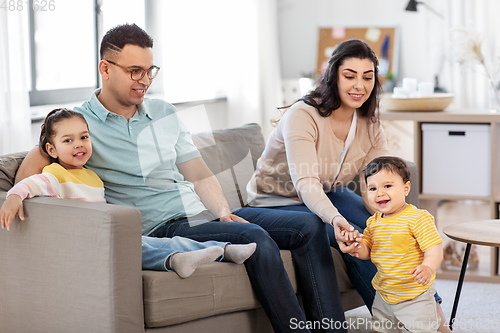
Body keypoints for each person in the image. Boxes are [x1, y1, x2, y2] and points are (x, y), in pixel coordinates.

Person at [16, 23, 350, 332]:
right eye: (135, 71)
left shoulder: (164, 112)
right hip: (161, 226)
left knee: (307, 226)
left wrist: (222, 211)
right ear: (105, 68)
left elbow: (199, 174)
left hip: (200, 214)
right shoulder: (80, 124)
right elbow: (37, 159)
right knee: (256, 238)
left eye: (150, 71)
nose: (144, 80)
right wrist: (18, 196)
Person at [246, 38, 450, 331]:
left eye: (367, 78)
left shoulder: (370, 123)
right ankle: (399, 323)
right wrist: (336, 219)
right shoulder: (303, 115)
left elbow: (380, 184)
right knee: (347, 235)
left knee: (375, 226)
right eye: (349, 76)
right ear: (333, 77)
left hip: (328, 192)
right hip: (277, 200)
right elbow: (306, 182)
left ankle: (430, 313)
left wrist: (398, 218)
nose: (359, 86)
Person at [1, 108, 256, 279]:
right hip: (83, 243)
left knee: (153, 242)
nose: (79, 144)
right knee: (141, 244)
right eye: (68, 141)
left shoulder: (92, 176)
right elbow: (29, 185)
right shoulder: (55, 174)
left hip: (105, 236)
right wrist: (13, 197)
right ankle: (180, 258)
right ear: (51, 149)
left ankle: (220, 250)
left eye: (84, 137)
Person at [340, 156, 444, 332]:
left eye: (387, 186)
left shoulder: (417, 218)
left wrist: (427, 267)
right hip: (384, 295)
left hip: (415, 295)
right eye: (372, 188)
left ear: (406, 188)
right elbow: (368, 251)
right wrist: (357, 245)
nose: (380, 193)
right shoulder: (373, 222)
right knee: (383, 329)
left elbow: (434, 249)